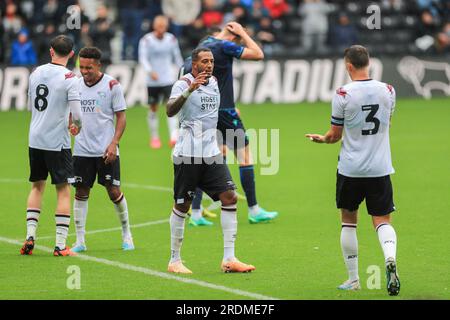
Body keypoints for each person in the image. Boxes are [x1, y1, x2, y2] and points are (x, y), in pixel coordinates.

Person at [305, 45, 400, 296]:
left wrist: (321, 139)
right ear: (368, 62)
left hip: (351, 169)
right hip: (380, 167)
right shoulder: (388, 90)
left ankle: (353, 278)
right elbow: (387, 124)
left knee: (349, 222)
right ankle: (389, 257)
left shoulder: (343, 94)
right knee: (382, 220)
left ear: (348, 66)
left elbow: (334, 136)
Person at [166, 47, 255, 274]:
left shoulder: (214, 82)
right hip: (188, 154)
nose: (209, 65)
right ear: (194, 64)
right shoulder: (182, 83)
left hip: (211, 153)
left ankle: (229, 258)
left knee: (229, 196)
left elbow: (211, 115)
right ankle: (174, 260)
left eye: (212, 61)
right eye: (205, 61)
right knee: (182, 205)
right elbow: (169, 111)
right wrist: (189, 90)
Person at [182, 22, 278, 226]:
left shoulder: (205, 43)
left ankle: (197, 213)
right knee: (245, 156)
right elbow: (258, 54)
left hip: (206, 110)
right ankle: (254, 209)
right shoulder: (225, 46)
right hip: (225, 111)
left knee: (207, 157)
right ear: (234, 36)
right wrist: (244, 33)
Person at [20, 35, 82, 257]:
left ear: (51, 51)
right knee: (63, 190)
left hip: (35, 139)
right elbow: (76, 114)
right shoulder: (70, 78)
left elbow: (31, 106)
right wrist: (76, 126)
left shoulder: (35, 72)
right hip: (57, 142)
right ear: (72, 54)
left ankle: (30, 236)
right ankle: (60, 245)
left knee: (37, 186)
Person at [71, 47, 134, 253]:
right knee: (81, 192)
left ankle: (127, 234)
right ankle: (80, 240)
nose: (84, 71)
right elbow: (72, 115)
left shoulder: (111, 85)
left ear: (98, 65)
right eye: (81, 67)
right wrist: (72, 124)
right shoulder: (75, 85)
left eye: (89, 67)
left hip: (106, 149)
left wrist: (114, 143)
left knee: (113, 191)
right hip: (81, 150)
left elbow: (121, 117)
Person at [138, 15, 184, 149]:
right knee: (153, 108)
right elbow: (143, 58)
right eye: (159, 26)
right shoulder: (146, 40)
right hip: (152, 81)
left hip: (167, 79)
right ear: (154, 26)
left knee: (171, 107)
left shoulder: (171, 39)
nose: (161, 29)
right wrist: (150, 71)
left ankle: (173, 137)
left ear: (166, 27)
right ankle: (154, 137)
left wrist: (183, 70)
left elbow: (177, 56)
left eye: (163, 26)